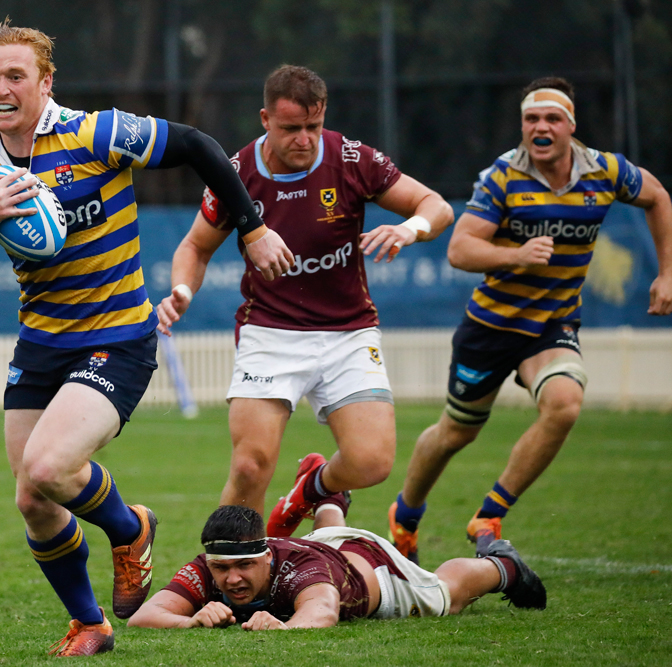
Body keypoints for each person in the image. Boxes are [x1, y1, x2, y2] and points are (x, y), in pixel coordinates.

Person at [0, 19, 293, 657]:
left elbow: (199, 146)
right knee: (32, 498)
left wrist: (252, 227)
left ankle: (128, 528)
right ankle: (90, 623)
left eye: (15, 76)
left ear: (46, 82)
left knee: (48, 466)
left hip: (116, 336)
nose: (1, 89)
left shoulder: (96, 133)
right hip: (41, 341)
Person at [154, 65, 455, 534]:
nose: (305, 139)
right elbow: (195, 247)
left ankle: (309, 491)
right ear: (265, 120)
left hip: (349, 331)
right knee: (250, 467)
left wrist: (409, 229)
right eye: (291, 128)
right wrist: (183, 290)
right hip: (269, 332)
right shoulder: (237, 172)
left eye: (314, 126)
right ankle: (228, 566)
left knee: (372, 462)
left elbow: (437, 206)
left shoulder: (351, 159)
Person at [388, 76, 672, 564]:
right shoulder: (502, 177)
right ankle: (406, 513)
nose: (541, 127)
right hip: (491, 327)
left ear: (571, 126)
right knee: (456, 432)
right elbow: (460, 249)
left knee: (565, 403)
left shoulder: (604, 170)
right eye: (531, 119)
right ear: (522, 126)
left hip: (551, 325)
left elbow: (658, 196)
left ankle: (489, 516)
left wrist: (666, 272)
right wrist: (516, 255)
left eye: (552, 119)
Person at [127, 500, 545, 631]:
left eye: (245, 566)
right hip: (323, 544)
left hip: (372, 568)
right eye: (221, 569)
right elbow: (143, 617)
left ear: (266, 557)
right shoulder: (211, 564)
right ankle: (328, 498)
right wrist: (190, 620)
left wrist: (285, 628)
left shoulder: (300, 570)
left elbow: (323, 611)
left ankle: (503, 564)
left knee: (445, 595)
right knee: (323, 537)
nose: (231, 579)